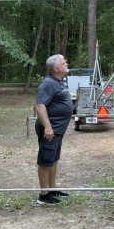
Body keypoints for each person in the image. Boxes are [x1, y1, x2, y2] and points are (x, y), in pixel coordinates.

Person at [35, 54, 73, 205]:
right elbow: (39, 105)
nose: (66, 64)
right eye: (64, 63)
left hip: (57, 129)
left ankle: (52, 188)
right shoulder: (48, 83)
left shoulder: (58, 81)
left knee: (53, 159)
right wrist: (48, 127)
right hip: (50, 130)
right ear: (56, 69)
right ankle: (44, 195)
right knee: (45, 160)